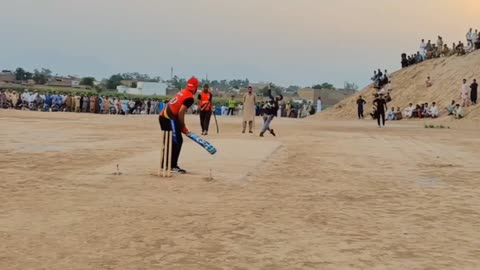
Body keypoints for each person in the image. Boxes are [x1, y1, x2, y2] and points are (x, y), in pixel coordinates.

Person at [158, 76, 199, 174]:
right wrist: (183, 126)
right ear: (196, 88)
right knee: (177, 141)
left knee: (169, 141)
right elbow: (181, 112)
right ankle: (172, 166)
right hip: (170, 117)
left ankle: (165, 164)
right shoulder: (189, 97)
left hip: (162, 116)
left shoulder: (182, 92)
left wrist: (180, 126)